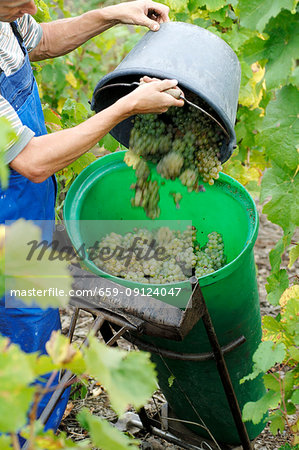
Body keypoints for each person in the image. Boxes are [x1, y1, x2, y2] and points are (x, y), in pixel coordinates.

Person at [0, 0, 184, 435]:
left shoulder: (7, 17)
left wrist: (112, 14)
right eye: (20, 0)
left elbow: (39, 39)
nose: (32, 5)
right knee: (25, 343)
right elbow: (31, 160)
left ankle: (34, 429)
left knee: (37, 329)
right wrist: (126, 107)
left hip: (26, 211)